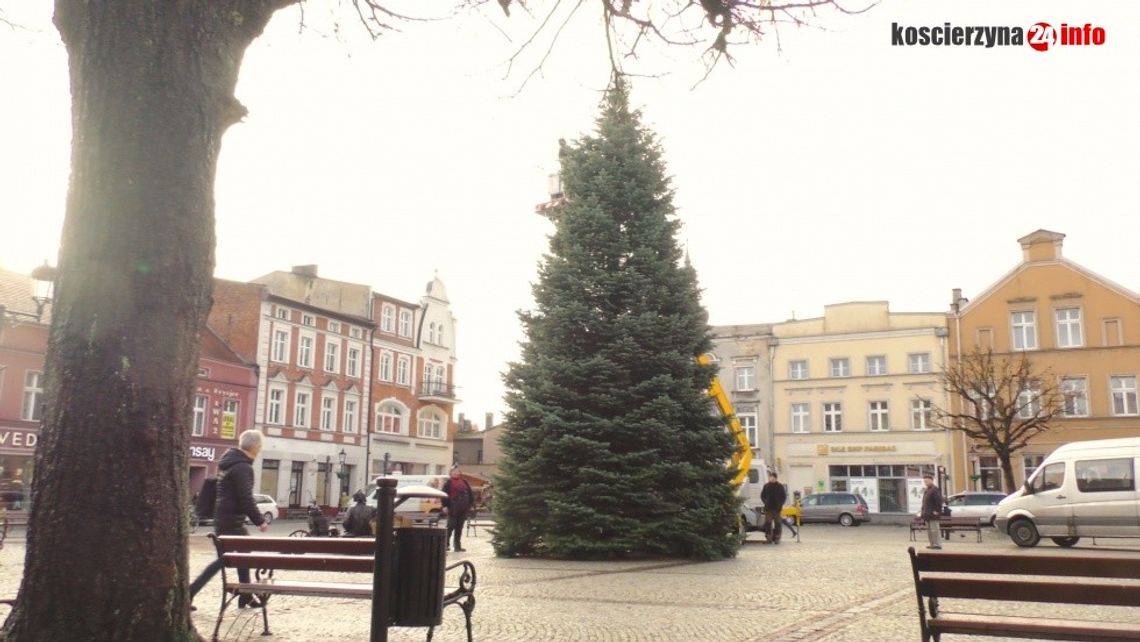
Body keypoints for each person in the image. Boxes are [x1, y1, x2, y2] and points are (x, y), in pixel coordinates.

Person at [190, 430, 269, 608]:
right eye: (260, 445)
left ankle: (245, 595)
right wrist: (260, 521)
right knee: (229, 558)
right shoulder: (243, 467)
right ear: (255, 446)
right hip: (232, 521)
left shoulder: (229, 462)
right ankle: (190, 591)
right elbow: (245, 497)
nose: (260, 449)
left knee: (237, 556)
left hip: (223, 518)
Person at [441, 466, 474, 552]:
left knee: (459, 527)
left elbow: (470, 494)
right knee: (451, 526)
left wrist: (470, 505)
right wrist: (444, 506)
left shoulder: (464, 482)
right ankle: (445, 545)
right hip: (452, 508)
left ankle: (457, 546)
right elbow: (443, 495)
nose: (456, 473)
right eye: (454, 471)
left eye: (457, 471)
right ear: (451, 473)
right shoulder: (448, 483)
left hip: (463, 508)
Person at [760, 471, 787, 544]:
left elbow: (784, 497)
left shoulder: (780, 486)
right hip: (768, 509)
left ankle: (777, 538)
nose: (771, 479)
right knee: (768, 524)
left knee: (778, 524)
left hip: (777, 509)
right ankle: (769, 538)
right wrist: (765, 502)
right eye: (770, 477)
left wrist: (780, 504)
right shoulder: (766, 486)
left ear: (776, 478)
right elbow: (762, 496)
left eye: (773, 477)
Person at [920, 472, 944, 550]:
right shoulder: (927, 490)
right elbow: (924, 502)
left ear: (931, 480)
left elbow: (939, 501)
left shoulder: (935, 489)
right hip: (927, 514)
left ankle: (937, 544)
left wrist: (937, 511)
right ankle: (932, 544)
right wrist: (923, 512)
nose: (925, 483)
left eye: (927, 481)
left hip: (933, 514)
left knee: (935, 530)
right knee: (929, 531)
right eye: (924, 481)